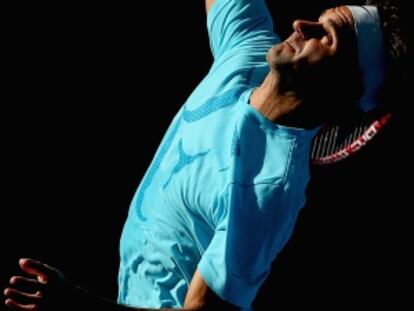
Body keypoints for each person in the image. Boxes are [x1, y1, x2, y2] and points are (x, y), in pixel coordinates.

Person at [3, 0, 407, 310]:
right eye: (318, 17)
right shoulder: (247, 52)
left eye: (326, 35)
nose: (302, 24)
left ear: (345, 91)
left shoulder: (266, 190)